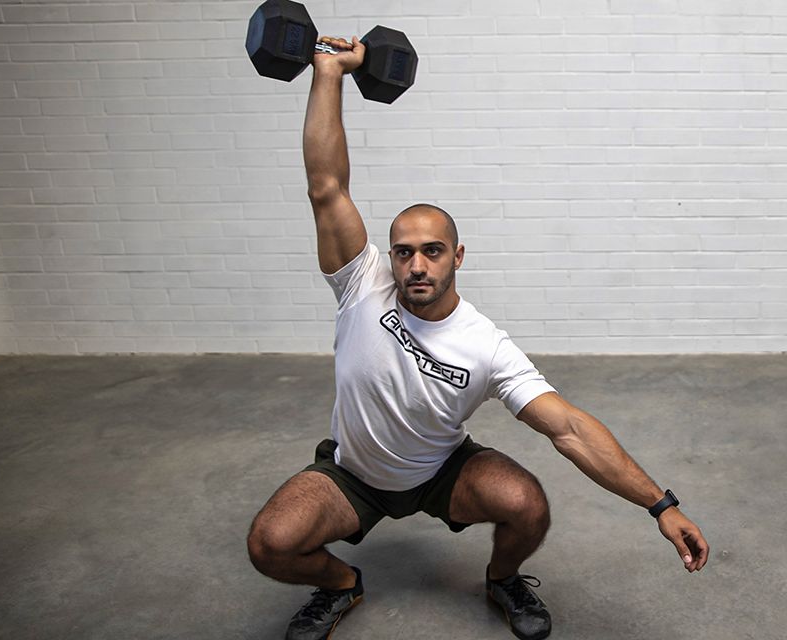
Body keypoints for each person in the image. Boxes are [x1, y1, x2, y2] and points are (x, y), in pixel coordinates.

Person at [247, 36, 709, 640]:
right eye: (405, 252)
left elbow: (569, 429)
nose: (417, 266)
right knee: (269, 543)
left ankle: (502, 578)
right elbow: (326, 185)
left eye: (432, 252)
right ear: (389, 257)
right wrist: (329, 71)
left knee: (527, 505)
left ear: (457, 256)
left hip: (440, 471)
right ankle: (340, 585)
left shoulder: (486, 345)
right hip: (353, 474)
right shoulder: (361, 284)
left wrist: (661, 505)